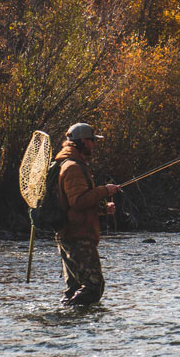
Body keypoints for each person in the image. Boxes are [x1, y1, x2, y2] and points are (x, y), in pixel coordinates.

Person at [54, 122, 120, 306]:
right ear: (82, 141)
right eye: (92, 141)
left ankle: (69, 322)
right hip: (77, 236)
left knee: (75, 288)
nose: (94, 144)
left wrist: (101, 209)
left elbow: (74, 203)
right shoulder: (73, 167)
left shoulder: (71, 164)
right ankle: (74, 320)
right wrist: (105, 190)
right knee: (93, 286)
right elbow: (78, 201)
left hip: (71, 233)